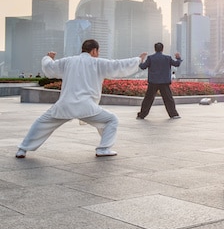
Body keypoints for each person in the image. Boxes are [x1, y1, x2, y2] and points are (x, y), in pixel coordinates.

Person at [16, 39, 146, 158]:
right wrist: (137, 60)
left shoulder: (68, 61)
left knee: (41, 123)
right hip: (87, 107)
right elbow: (117, 66)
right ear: (94, 50)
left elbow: (50, 68)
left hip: (65, 105)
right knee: (111, 120)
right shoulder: (97, 63)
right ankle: (103, 149)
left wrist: (47, 58)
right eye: (98, 51)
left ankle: (22, 149)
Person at [136, 42, 182, 120]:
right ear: (162, 49)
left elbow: (143, 67)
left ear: (155, 49)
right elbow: (177, 64)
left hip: (153, 82)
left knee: (148, 99)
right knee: (168, 99)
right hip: (164, 82)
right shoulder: (167, 58)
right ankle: (173, 114)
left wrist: (141, 60)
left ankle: (141, 115)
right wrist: (178, 58)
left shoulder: (150, 58)